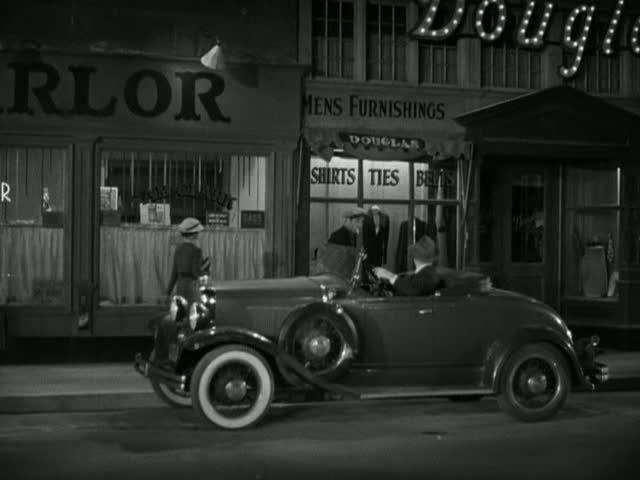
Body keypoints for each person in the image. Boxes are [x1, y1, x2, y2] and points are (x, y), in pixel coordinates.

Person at [373, 234, 442, 296]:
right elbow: (408, 285)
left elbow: (412, 288)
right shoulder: (427, 273)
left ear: (415, 257)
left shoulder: (428, 274)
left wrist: (389, 275)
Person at [166, 217, 205, 304]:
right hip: (191, 287)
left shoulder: (178, 249)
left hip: (180, 287)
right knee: (197, 312)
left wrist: (168, 291)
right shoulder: (196, 250)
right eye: (198, 232)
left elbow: (174, 273)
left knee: (182, 313)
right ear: (194, 234)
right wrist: (204, 272)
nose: (199, 234)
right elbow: (195, 272)